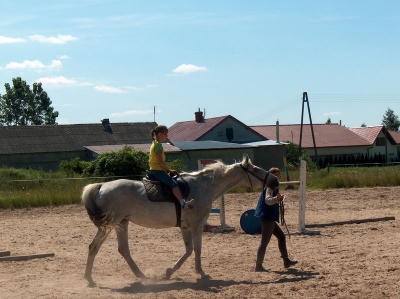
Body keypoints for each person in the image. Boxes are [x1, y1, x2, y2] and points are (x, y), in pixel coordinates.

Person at [254, 167, 297, 272]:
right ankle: (258, 266)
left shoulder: (272, 186)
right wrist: (277, 199)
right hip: (267, 217)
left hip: (268, 217)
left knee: (281, 237)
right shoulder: (270, 187)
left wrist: (279, 199)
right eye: (277, 175)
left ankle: (286, 260)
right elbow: (268, 201)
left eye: (279, 175)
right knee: (264, 242)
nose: (279, 177)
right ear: (272, 176)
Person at [149, 125, 194, 209]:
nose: (167, 136)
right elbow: (160, 162)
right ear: (160, 134)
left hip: (156, 170)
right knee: (173, 184)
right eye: (166, 134)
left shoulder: (154, 144)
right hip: (158, 170)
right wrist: (168, 170)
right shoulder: (158, 145)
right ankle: (183, 203)